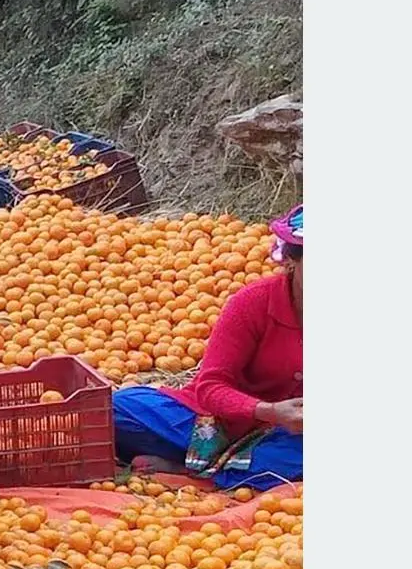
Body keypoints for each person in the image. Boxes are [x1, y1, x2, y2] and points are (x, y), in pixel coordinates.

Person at [112, 206, 303, 490]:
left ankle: (197, 473)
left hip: (287, 436)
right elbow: (211, 386)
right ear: (289, 261)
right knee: (116, 408)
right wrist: (269, 410)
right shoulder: (252, 304)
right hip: (213, 421)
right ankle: (224, 467)